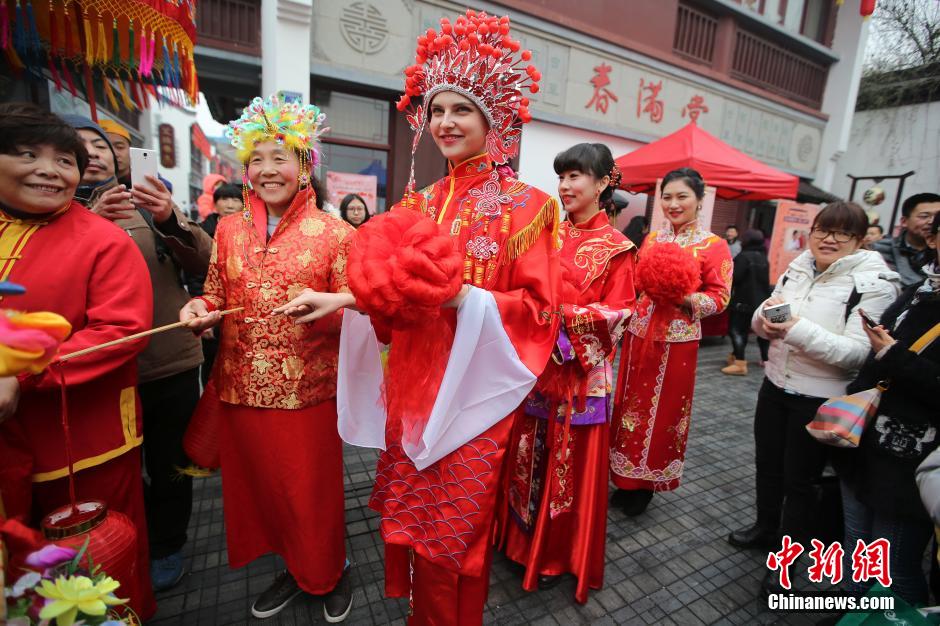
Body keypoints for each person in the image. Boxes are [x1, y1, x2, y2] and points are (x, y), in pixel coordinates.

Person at [276, 10, 560, 625]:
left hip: (475, 397)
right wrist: (344, 300)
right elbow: (395, 289)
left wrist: (463, 299)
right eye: (436, 110)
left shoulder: (529, 208)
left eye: (462, 109)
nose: (446, 122)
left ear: (494, 117)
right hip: (413, 387)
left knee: (457, 532)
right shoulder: (420, 203)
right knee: (416, 524)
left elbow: (541, 314)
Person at [179, 93, 355, 621]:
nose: (267, 169)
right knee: (264, 493)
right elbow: (214, 291)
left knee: (310, 492)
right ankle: (293, 565)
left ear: (305, 166)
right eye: (257, 158)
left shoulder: (336, 233)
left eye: (281, 157)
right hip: (240, 387)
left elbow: (361, 314)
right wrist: (199, 306)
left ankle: (328, 571)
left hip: (308, 391)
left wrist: (328, 312)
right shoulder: (228, 229)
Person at [0, 103, 156, 619]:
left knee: (97, 565)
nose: (48, 169)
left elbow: (122, 330)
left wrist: (21, 372)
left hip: (83, 441)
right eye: (27, 154)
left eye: (63, 159)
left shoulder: (103, 240)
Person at [64, 115, 212, 591]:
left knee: (170, 461)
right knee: (109, 467)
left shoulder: (146, 206)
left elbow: (207, 260)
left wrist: (168, 216)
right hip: (96, 370)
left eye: (101, 146)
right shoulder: (47, 215)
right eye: (77, 148)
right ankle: (122, 543)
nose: (95, 154)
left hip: (166, 357)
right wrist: (86, 224)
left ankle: (167, 544)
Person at [725, 202, 900, 596]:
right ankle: (765, 529)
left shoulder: (873, 284)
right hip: (775, 385)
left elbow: (857, 355)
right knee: (767, 467)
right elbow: (771, 310)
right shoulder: (799, 265)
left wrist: (795, 329)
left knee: (799, 483)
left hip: (820, 397)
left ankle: (785, 561)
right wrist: (762, 322)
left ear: (859, 240)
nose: (829, 239)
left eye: (842, 233)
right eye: (823, 230)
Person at [499, 143, 636, 603]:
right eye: (562, 177)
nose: (565, 186)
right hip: (534, 372)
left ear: (602, 184)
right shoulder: (546, 233)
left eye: (576, 176)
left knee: (565, 468)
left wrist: (560, 321)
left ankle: (556, 553)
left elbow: (619, 313)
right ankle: (518, 541)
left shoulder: (618, 249)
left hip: (579, 378)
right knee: (526, 454)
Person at [609, 168, 731, 517]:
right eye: (667, 197)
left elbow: (720, 298)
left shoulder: (714, 246)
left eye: (682, 197)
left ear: (699, 200)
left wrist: (684, 298)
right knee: (629, 406)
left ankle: (646, 483)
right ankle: (623, 475)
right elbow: (636, 284)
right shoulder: (651, 240)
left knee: (663, 413)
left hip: (677, 342)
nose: (673, 204)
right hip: (639, 334)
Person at [839, 211, 940, 605]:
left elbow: (896, 358)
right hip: (865, 442)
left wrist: (895, 355)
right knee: (856, 545)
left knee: (896, 565)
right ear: (933, 241)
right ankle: (853, 609)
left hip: (913, 462)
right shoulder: (918, 292)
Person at [190, 183, 242, 386]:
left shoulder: (249, 232)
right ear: (215, 203)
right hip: (210, 309)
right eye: (224, 199)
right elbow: (194, 274)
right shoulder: (202, 231)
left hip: (236, 311)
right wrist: (203, 306)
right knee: (211, 365)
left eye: (236, 199)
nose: (230, 205)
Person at [722, 229, 771, 375]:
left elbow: (734, 278)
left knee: (736, 330)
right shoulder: (763, 258)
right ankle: (764, 359)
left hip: (743, 302)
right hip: (762, 302)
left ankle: (740, 363)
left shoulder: (743, 257)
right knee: (762, 333)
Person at [873, 193, 940, 287]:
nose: (932, 221)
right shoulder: (879, 250)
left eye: (938, 217)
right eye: (924, 216)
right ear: (904, 221)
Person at [99, 119, 132, 186]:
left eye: (120, 147)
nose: (114, 154)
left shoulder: (149, 181)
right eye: (102, 147)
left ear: (130, 150)